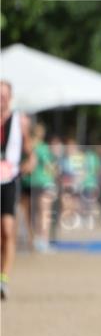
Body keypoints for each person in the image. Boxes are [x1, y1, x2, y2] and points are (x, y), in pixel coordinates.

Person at [0, 80, 34, 300]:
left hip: (9, 179)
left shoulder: (20, 121)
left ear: (10, 98)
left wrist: (30, 162)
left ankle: (4, 279)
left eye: (4, 96)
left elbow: (30, 151)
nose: (1, 100)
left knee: (7, 229)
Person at [21, 123, 56, 252]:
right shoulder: (42, 148)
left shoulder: (26, 146)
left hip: (27, 182)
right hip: (42, 183)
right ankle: (43, 241)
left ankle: (32, 239)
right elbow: (48, 167)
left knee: (29, 215)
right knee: (44, 213)